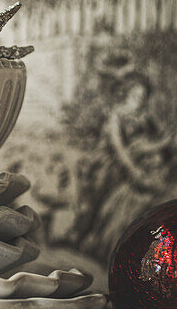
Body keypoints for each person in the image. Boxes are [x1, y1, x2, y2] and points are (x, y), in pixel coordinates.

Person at [73, 72, 174, 265]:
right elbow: (119, 150)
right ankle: (96, 238)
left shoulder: (145, 118)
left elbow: (159, 141)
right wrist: (135, 171)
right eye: (136, 97)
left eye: (144, 98)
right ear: (126, 95)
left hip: (139, 164)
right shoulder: (116, 117)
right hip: (113, 165)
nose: (140, 102)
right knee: (112, 200)